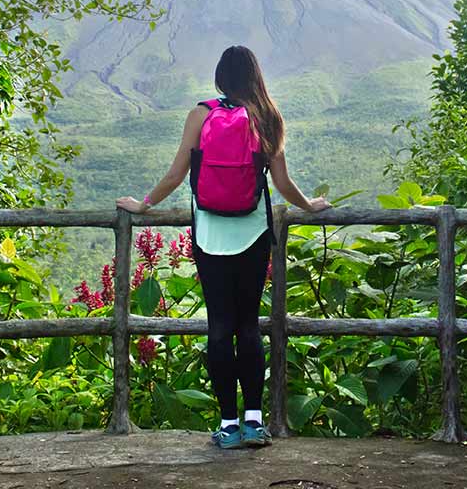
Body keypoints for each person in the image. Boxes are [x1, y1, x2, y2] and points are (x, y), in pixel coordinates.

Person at [117, 45, 331, 449]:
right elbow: (283, 184)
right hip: (251, 233)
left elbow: (177, 173)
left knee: (219, 328)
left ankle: (228, 425)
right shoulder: (267, 116)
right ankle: (255, 422)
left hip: (210, 234)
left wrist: (143, 205)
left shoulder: (201, 114)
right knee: (248, 326)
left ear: (219, 77)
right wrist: (309, 205)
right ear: (255, 77)